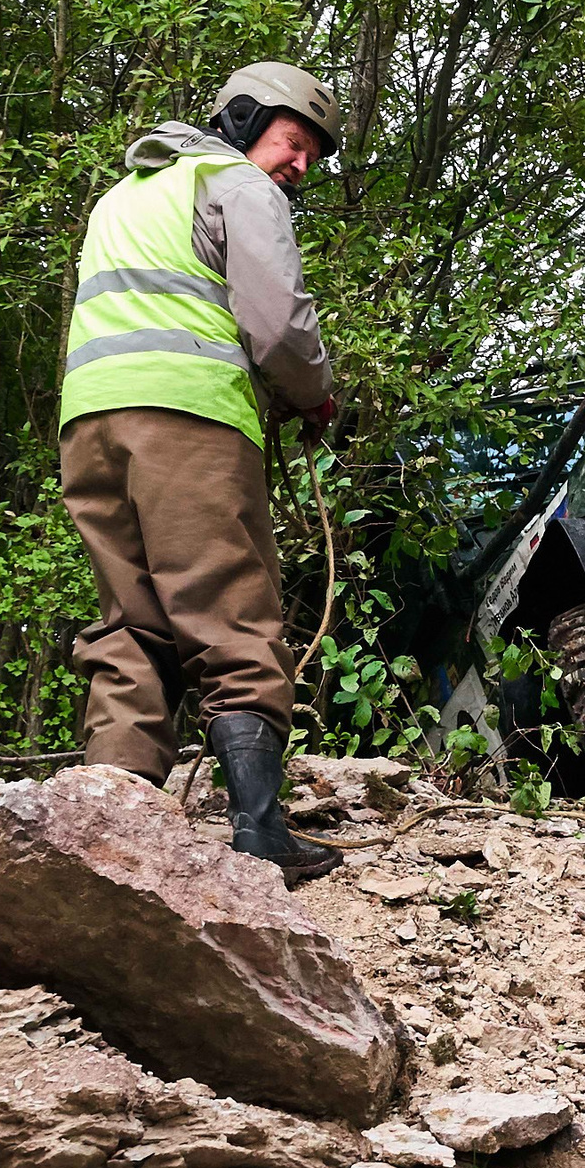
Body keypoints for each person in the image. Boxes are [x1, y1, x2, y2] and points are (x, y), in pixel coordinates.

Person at [58, 61, 347, 885]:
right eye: (295, 143)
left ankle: (108, 843)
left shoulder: (122, 195)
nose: (299, 167)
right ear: (246, 117)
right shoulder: (236, 184)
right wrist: (317, 399)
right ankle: (260, 837)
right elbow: (279, 325)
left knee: (130, 621)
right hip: (186, 416)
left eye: (311, 159)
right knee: (231, 610)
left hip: (90, 421)